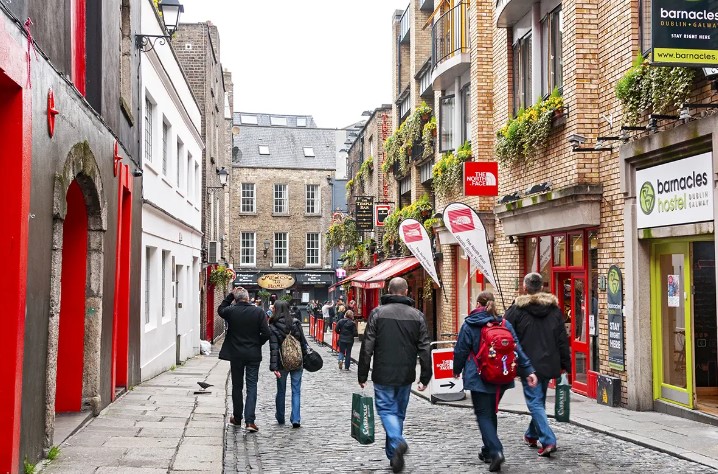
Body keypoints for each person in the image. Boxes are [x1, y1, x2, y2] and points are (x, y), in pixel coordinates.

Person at [453, 291, 538, 472]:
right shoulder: (504, 323)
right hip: (502, 377)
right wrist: (529, 369)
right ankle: (487, 450)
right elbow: (516, 348)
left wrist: (456, 370)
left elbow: (460, 350)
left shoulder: (470, 324)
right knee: (490, 414)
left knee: (484, 415)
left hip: (478, 377)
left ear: (478, 304)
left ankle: (496, 451)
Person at [358, 277, 431, 473]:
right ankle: (394, 457)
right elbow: (425, 348)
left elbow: (367, 346)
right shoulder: (417, 315)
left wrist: (362, 374)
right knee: (398, 413)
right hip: (406, 374)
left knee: (386, 410)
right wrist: (425, 376)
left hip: (383, 373)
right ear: (406, 292)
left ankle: (398, 442)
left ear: (389, 291)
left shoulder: (377, 313)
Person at [505, 273, 571, 457]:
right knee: (538, 400)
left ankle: (548, 439)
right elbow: (562, 339)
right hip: (549, 363)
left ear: (525, 288)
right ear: (541, 288)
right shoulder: (555, 310)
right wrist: (565, 364)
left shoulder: (516, 310)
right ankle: (531, 435)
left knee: (534, 402)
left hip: (528, 366)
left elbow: (505, 336)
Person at [218, 286, 271, 433]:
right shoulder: (258, 312)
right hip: (253, 354)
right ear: (248, 298)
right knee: (252, 386)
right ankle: (250, 421)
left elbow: (221, 309)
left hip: (236, 354)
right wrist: (257, 343)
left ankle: (237, 418)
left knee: (237, 386)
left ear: (236, 299)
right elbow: (266, 333)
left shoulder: (231, 311)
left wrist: (230, 296)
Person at [268, 300, 308, 429]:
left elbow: (273, 348)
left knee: (281, 391)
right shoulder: (295, 323)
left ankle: (280, 417)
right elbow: (303, 342)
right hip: (297, 361)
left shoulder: (273, 326)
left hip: (281, 363)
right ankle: (296, 418)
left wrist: (274, 367)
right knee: (296, 391)